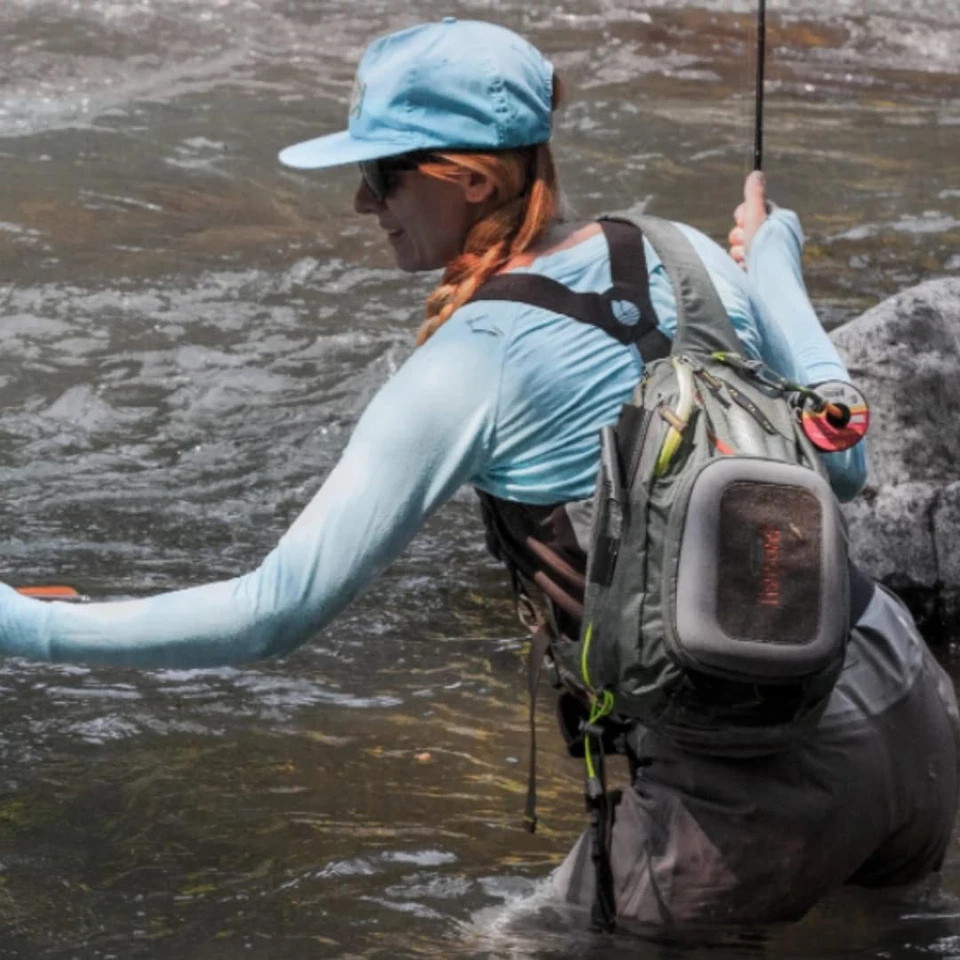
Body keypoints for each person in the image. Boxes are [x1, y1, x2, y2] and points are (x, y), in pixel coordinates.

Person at [0, 18, 957, 929]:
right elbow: (847, 460)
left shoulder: (474, 358)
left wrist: (30, 627)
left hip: (748, 790)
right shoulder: (689, 251)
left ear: (465, 176)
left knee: (499, 944)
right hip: (904, 703)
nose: (362, 203)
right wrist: (777, 262)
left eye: (379, 174)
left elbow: (273, 611)